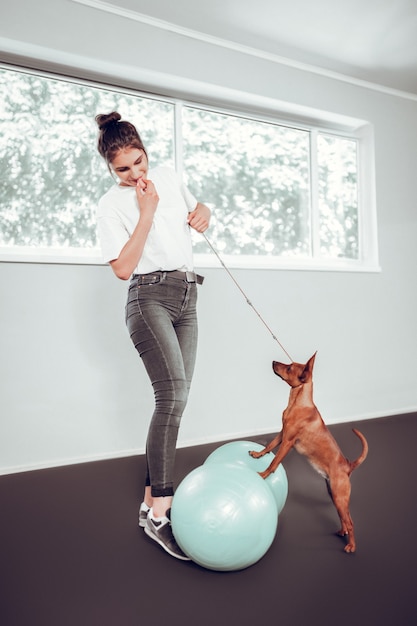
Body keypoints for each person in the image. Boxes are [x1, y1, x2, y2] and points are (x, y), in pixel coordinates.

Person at [95, 111, 211, 560]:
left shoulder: (167, 174)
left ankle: (150, 504)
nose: (134, 174)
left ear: (146, 151)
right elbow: (122, 268)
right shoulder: (111, 205)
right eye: (122, 169)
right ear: (109, 167)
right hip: (147, 298)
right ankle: (161, 511)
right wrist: (145, 211)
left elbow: (195, 215)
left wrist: (204, 212)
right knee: (172, 397)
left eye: (138, 163)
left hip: (187, 295)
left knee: (178, 399)